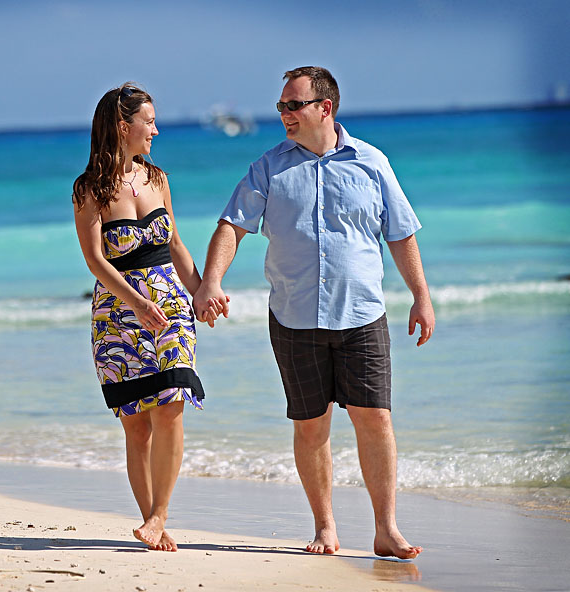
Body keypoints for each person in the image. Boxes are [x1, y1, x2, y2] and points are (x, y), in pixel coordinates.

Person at [193, 66, 435, 560]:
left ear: (324, 108)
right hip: (294, 318)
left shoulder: (371, 162)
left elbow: (401, 232)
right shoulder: (269, 167)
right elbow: (231, 226)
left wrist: (422, 298)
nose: (283, 113)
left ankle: (386, 529)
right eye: (282, 105)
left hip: (362, 315)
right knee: (311, 425)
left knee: (376, 420)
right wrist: (212, 281)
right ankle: (326, 528)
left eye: (293, 104)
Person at [72, 83, 220, 552]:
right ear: (123, 125)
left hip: (171, 308)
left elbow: (175, 245)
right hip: (118, 316)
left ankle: (159, 515)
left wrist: (202, 293)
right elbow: (96, 260)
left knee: (172, 405)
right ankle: (151, 521)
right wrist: (135, 302)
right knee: (137, 425)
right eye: (148, 121)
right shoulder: (90, 188)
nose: (155, 129)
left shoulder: (157, 178)